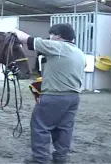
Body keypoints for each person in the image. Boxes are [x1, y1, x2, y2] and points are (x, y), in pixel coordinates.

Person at [11, 23, 86, 164]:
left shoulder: (57, 47)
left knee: (40, 126)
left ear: (58, 36)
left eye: (52, 35)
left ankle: (40, 159)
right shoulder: (79, 53)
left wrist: (14, 31)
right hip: (73, 97)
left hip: (54, 96)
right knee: (64, 128)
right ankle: (60, 158)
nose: (50, 38)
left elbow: (27, 39)